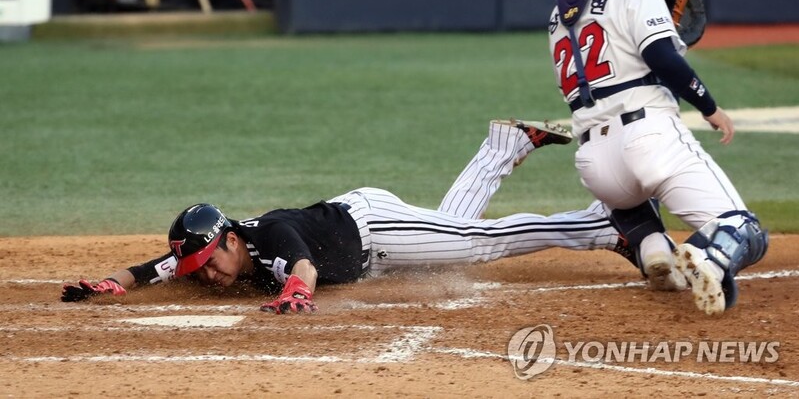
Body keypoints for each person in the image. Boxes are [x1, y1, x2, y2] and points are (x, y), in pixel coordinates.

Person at [62, 119, 642, 313]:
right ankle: (504, 145)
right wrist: (112, 284)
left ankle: (596, 225)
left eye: (209, 262)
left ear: (229, 239)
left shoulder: (267, 233)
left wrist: (295, 296)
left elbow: (305, 269)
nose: (206, 275)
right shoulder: (212, 248)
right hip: (373, 256)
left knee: (475, 244)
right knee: (455, 229)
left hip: (374, 228)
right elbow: (156, 268)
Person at [547, 0, 768, 315]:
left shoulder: (559, 11)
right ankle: (710, 257)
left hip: (596, 163)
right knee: (745, 229)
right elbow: (663, 59)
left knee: (632, 201)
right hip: (650, 138)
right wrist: (709, 106)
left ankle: (654, 250)